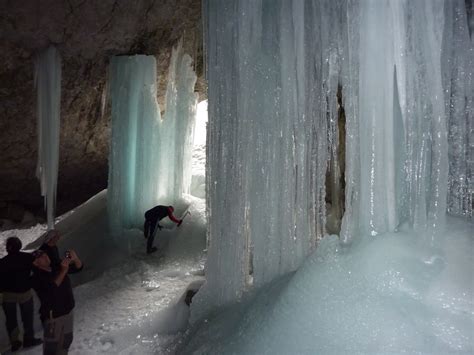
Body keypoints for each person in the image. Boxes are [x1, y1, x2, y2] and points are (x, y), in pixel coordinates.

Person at [31, 247, 82, 355]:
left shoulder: (55, 266)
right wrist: (64, 270)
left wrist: (75, 258)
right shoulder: (36, 278)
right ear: (35, 263)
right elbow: (52, 288)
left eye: (45, 254)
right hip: (53, 318)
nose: (46, 257)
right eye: (41, 257)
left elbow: (78, 268)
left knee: (66, 342)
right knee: (51, 349)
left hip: (67, 312)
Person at [0, 237, 42, 352]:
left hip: (8, 295)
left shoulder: (2, 262)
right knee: (27, 318)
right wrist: (31, 281)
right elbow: (37, 270)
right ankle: (29, 338)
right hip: (25, 292)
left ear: (8, 248)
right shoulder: (27, 258)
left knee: (11, 320)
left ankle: (15, 342)